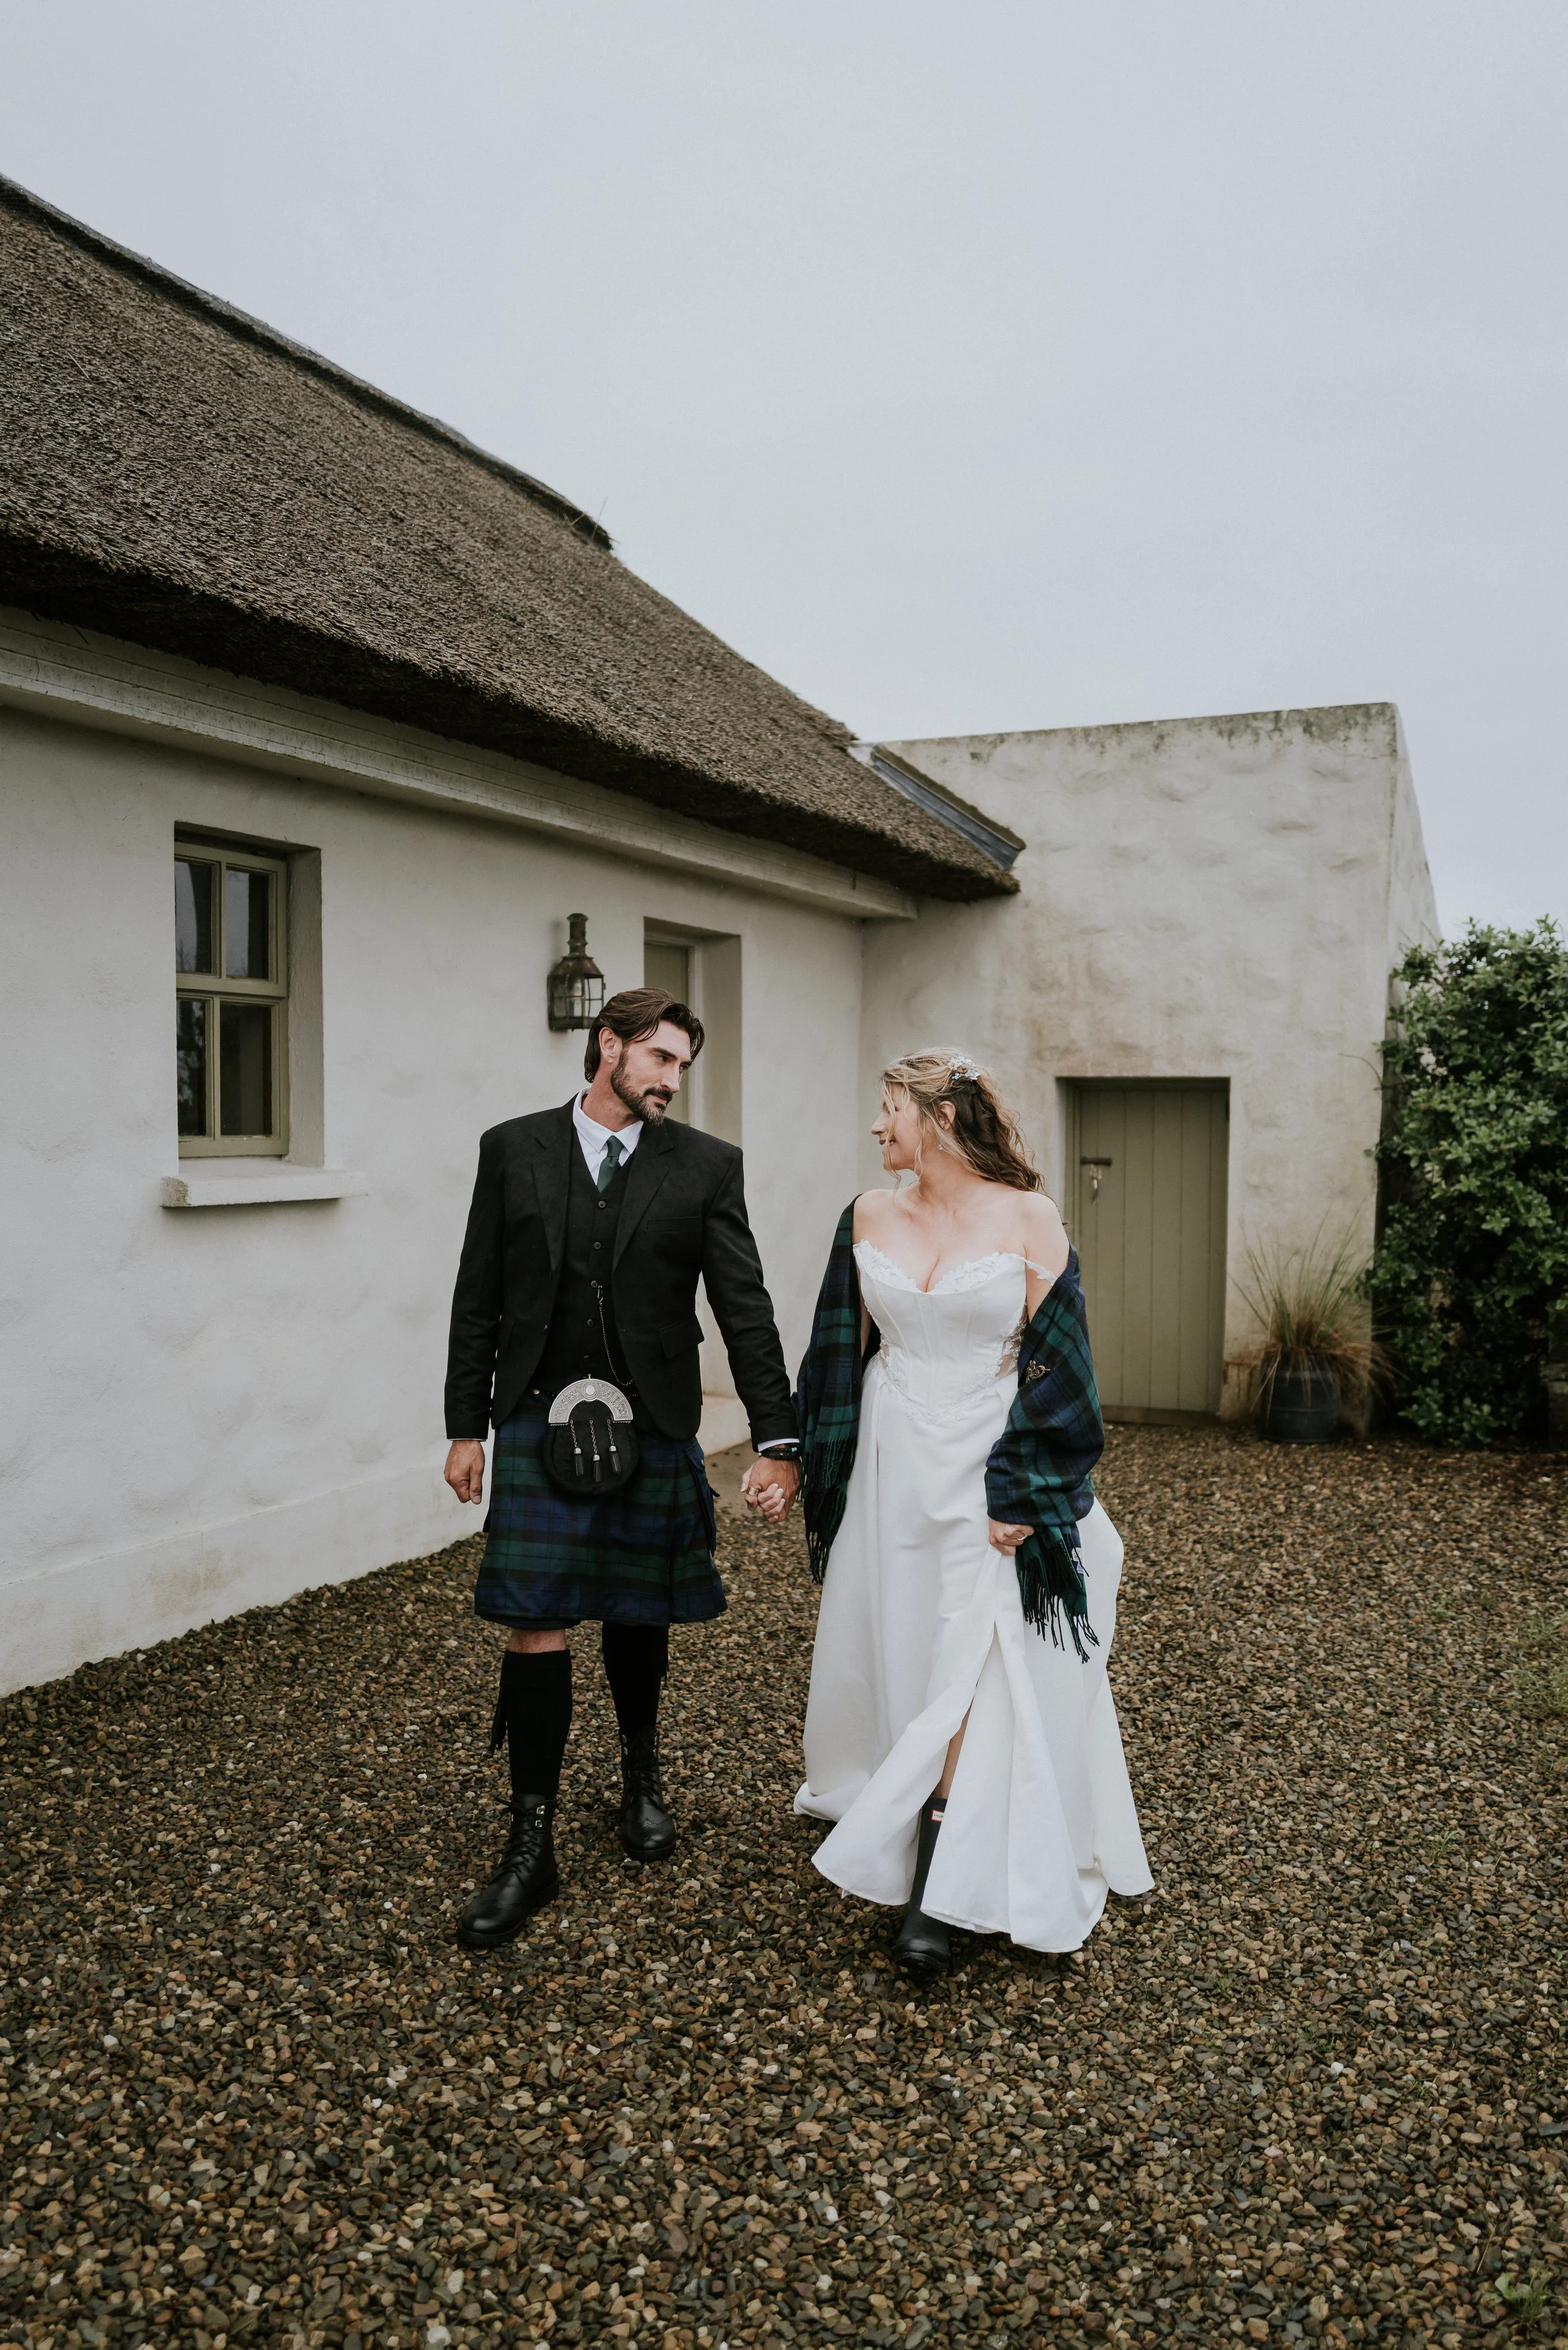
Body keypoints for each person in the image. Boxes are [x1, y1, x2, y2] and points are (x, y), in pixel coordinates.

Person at [443, 987, 800, 1949]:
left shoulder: (705, 1167)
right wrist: (463, 1424)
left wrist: (779, 1435)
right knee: (534, 1622)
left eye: (682, 1064)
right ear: (608, 1047)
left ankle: (641, 1771)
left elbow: (745, 1303)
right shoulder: (513, 1147)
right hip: (531, 1413)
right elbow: (476, 1290)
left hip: (649, 1418)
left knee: (640, 1608)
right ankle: (532, 1838)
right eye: (659, 1059)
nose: (672, 1079)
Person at [790, 1050, 1151, 1981]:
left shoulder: (1030, 1218)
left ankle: (942, 1875)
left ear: (940, 1116)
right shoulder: (866, 1216)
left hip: (990, 1470)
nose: (877, 1127)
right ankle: (911, 1809)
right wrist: (796, 1458)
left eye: (889, 1109)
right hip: (889, 1461)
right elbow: (835, 1352)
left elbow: (1065, 1368)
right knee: (905, 1639)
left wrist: (1026, 1490)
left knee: (976, 1648)